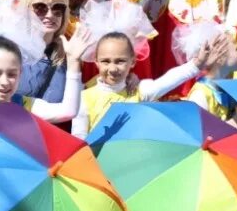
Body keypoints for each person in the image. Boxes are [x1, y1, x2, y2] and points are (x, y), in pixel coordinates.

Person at [71, 31, 227, 138]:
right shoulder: (84, 98)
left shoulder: (139, 91)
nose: (112, 68)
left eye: (120, 61)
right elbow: (79, 139)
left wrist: (197, 64)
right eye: (105, 61)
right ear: (96, 62)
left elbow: (167, 81)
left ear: (132, 62)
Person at [0, 27, 89, 124]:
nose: (5, 82)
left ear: (20, 73)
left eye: (12, 74)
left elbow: (68, 111)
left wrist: (73, 61)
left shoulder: (26, 106)